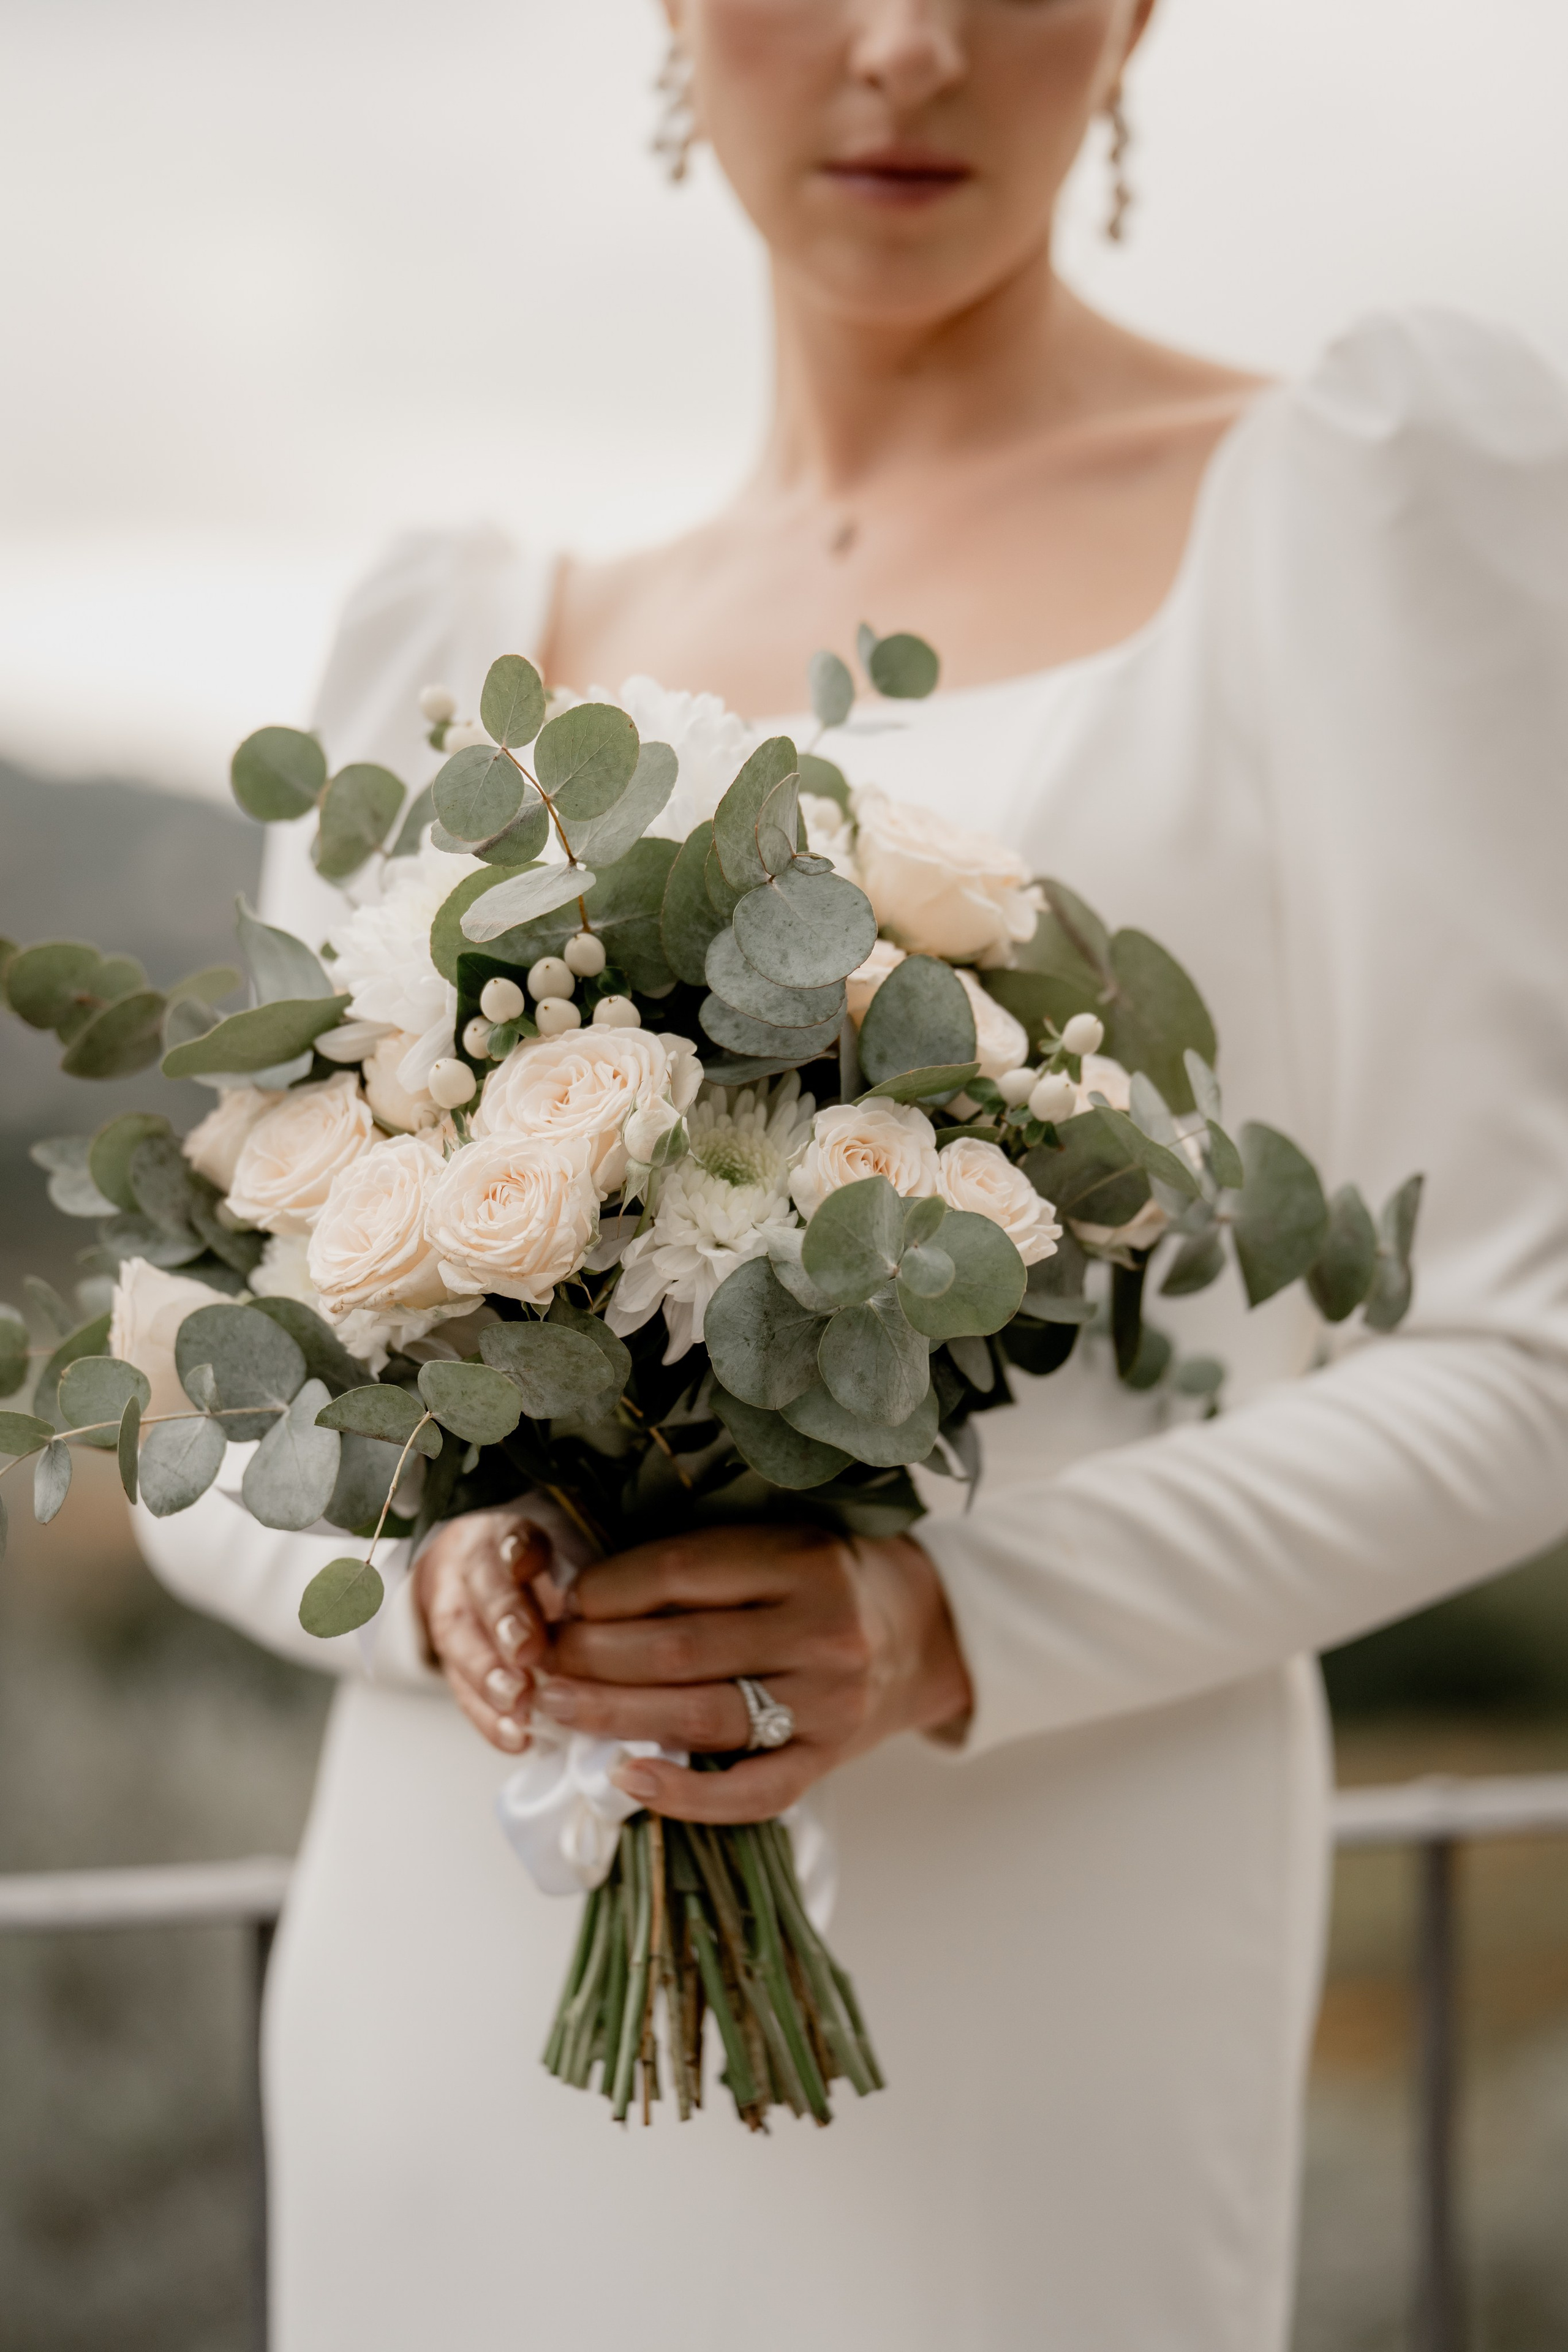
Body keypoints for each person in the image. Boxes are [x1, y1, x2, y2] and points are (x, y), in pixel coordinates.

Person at [134, 3, 1568, 2346]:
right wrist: (438, 1570)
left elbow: (1530, 1347)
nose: (909, 47)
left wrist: (946, 1622)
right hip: (452, 1942)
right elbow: (191, 1364)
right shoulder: (457, 643)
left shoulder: (1365, 510)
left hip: (1031, 1968)